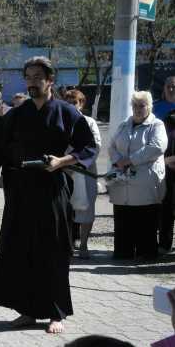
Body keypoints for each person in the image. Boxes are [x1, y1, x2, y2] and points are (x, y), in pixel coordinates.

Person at [0, 56, 97, 334]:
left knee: (53, 250)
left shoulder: (66, 113)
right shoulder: (15, 116)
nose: (31, 82)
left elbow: (87, 148)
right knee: (21, 249)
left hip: (52, 191)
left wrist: (61, 162)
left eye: (37, 77)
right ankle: (28, 310)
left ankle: (56, 312)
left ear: (50, 80)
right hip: (19, 192)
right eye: (28, 77)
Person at [108, 91, 167, 260]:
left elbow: (156, 147)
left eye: (142, 105)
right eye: (135, 105)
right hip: (122, 180)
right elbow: (111, 146)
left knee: (145, 219)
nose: (138, 109)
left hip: (145, 181)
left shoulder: (157, 125)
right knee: (123, 217)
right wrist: (118, 160)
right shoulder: (124, 125)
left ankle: (146, 253)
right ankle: (123, 252)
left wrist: (130, 160)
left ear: (149, 106)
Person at [65, 89, 102, 259]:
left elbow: (96, 146)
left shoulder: (89, 122)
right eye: (69, 102)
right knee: (67, 209)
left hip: (84, 170)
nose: (72, 105)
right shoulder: (62, 120)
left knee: (86, 209)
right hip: (64, 171)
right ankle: (68, 244)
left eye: (75, 102)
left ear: (81, 104)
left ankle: (84, 245)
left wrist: (77, 162)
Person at [160, 110, 175, 254]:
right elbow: (161, 144)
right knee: (167, 208)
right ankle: (165, 244)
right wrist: (165, 161)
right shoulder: (169, 118)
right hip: (169, 171)